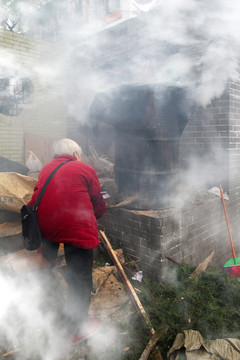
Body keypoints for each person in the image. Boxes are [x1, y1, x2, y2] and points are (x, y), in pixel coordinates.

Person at [27, 138, 106, 343]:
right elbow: (98, 202)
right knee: (79, 279)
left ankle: (42, 308)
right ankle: (77, 329)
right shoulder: (84, 168)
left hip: (47, 227)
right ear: (75, 153)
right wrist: (93, 214)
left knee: (46, 266)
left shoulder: (45, 170)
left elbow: (37, 197)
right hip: (76, 228)